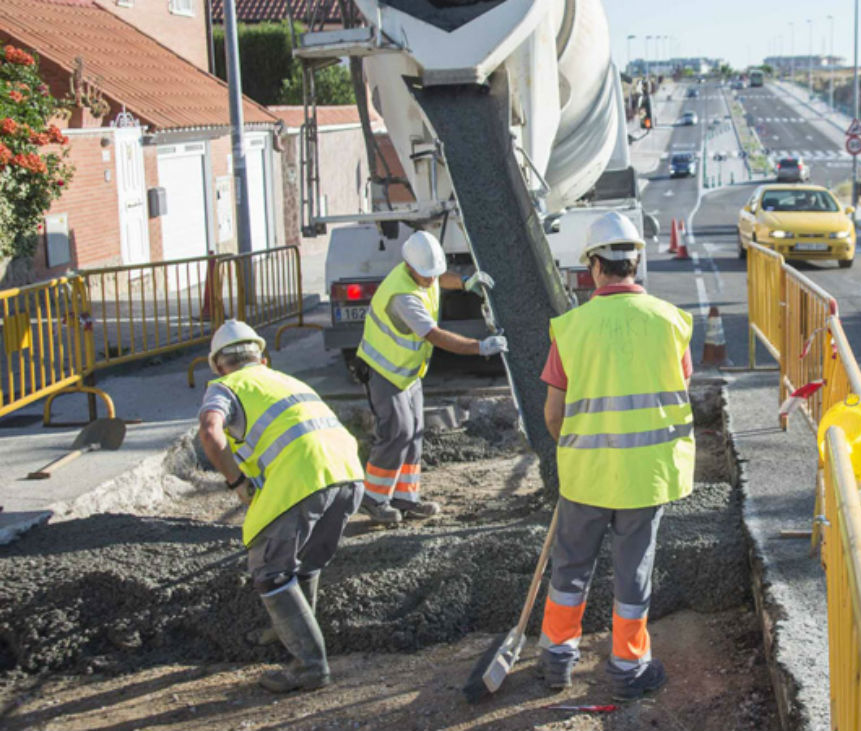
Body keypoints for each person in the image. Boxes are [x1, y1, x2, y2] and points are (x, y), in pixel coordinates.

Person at [537, 211, 695, 701]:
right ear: (636, 262)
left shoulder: (571, 328)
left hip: (586, 475)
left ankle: (557, 661)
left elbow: (553, 413)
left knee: (570, 569)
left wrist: (579, 446)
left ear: (594, 267)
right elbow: (679, 387)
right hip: (645, 477)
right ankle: (627, 668)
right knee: (633, 572)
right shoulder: (671, 322)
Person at [197, 320, 363, 692]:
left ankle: (309, 666)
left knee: (270, 570)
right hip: (348, 471)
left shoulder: (225, 387)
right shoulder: (286, 381)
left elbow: (210, 432)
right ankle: (295, 630)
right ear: (263, 358)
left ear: (219, 365)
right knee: (303, 562)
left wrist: (237, 482)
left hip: (304, 478)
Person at [354, 231, 508, 524]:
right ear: (410, 268)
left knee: (413, 435)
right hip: (385, 371)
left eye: (433, 274)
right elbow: (435, 336)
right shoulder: (403, 296)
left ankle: (406, 498)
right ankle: (373, 498)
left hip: (407, 371)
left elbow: (441, 277)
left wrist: (465, 282)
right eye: (426, 275)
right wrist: (480, 347)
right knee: (396, 432)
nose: (431, 280)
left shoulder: (422, 274)